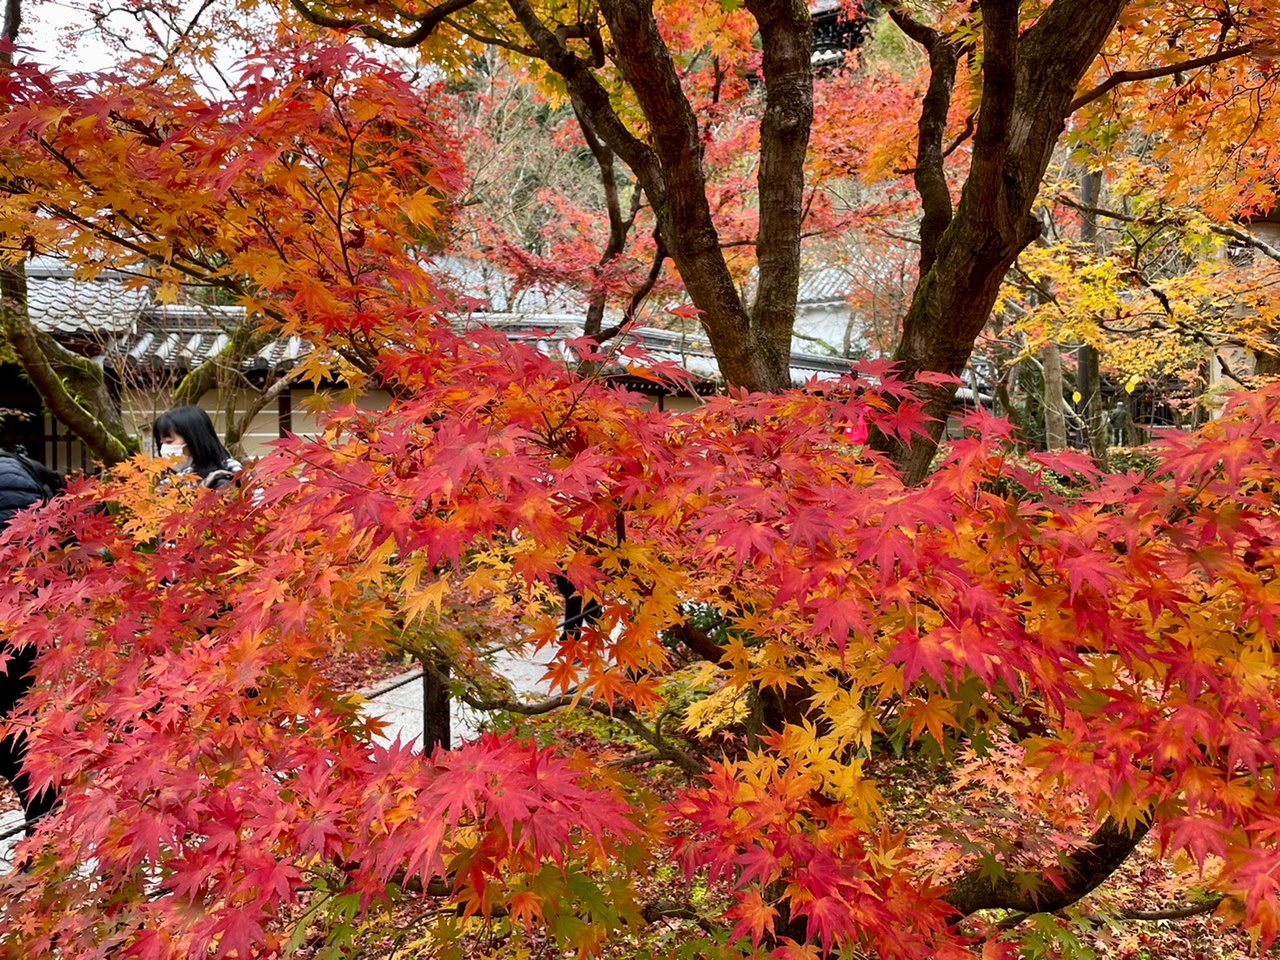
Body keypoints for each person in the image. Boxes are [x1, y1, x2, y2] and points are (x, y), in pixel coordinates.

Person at [0, 446, 65, 832]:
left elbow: (19, 561)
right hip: (22, 629)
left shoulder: (9, 479)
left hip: (13, 630)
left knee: (20, 741)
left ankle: (44, 842)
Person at [152, 406, 243, 491]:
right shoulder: (171, 483)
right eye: (161, 443)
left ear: (193, 440)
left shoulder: (225, 478)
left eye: (169, 442)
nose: (164, 449)